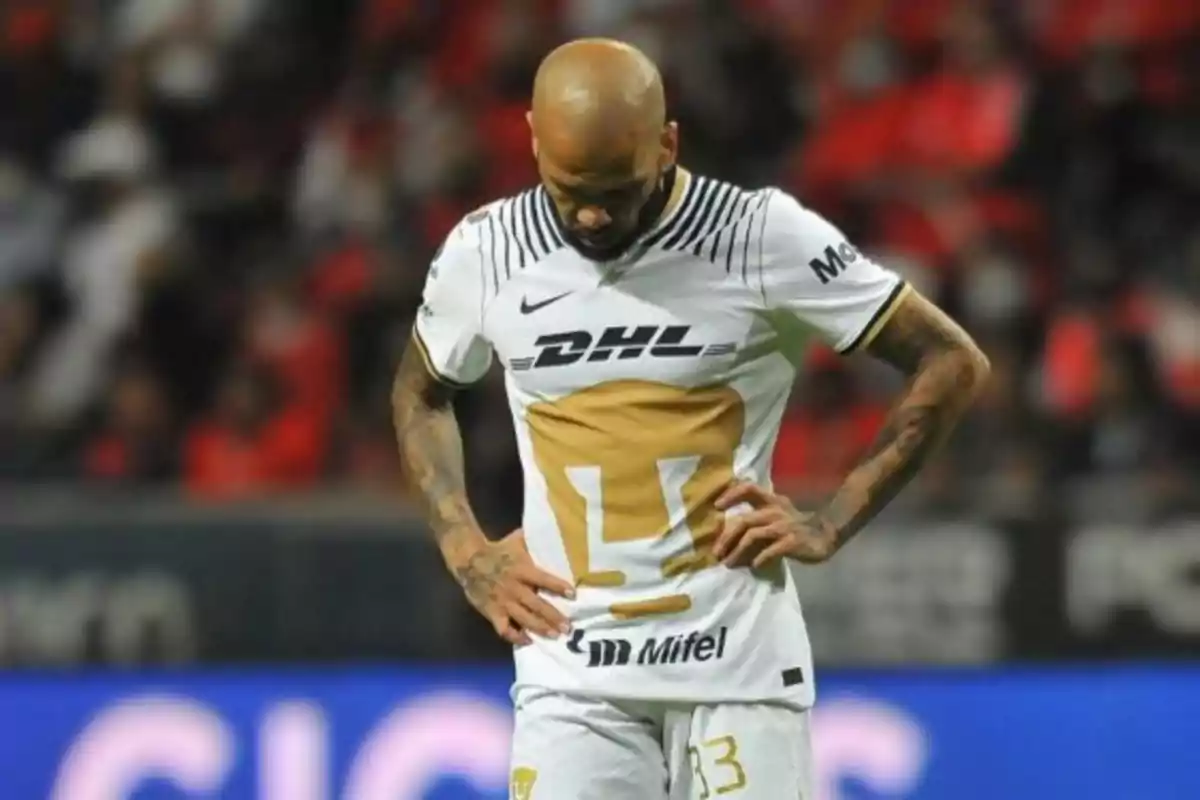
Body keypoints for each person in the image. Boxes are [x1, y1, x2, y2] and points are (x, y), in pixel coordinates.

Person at [393, 38, 989, 800]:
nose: (591, 212)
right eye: (569, 185)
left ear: (667, 143)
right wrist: (465, 550)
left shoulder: (759, 237)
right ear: (533, 139)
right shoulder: (488, 250)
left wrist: (831, 520)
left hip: (735, 670)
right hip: (572, 675)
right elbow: (420, 391)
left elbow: (950, 361)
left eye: (618, 187)